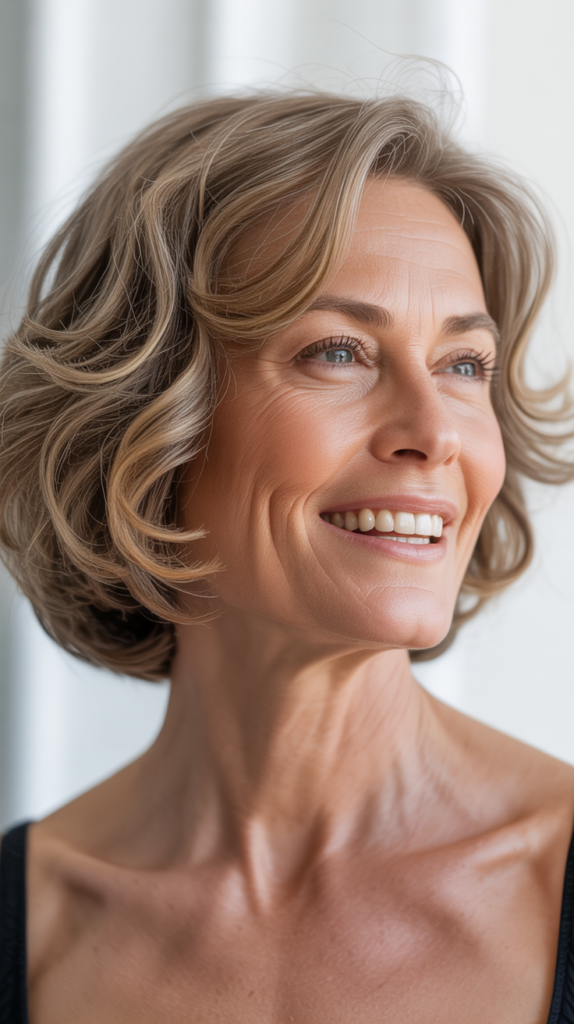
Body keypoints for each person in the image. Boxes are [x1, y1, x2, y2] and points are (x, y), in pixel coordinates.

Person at [1, 91, 574, 1023]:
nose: (435, 434)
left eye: (463, 365)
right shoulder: (32, 925)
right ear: (147, 420)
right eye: (340, 351)